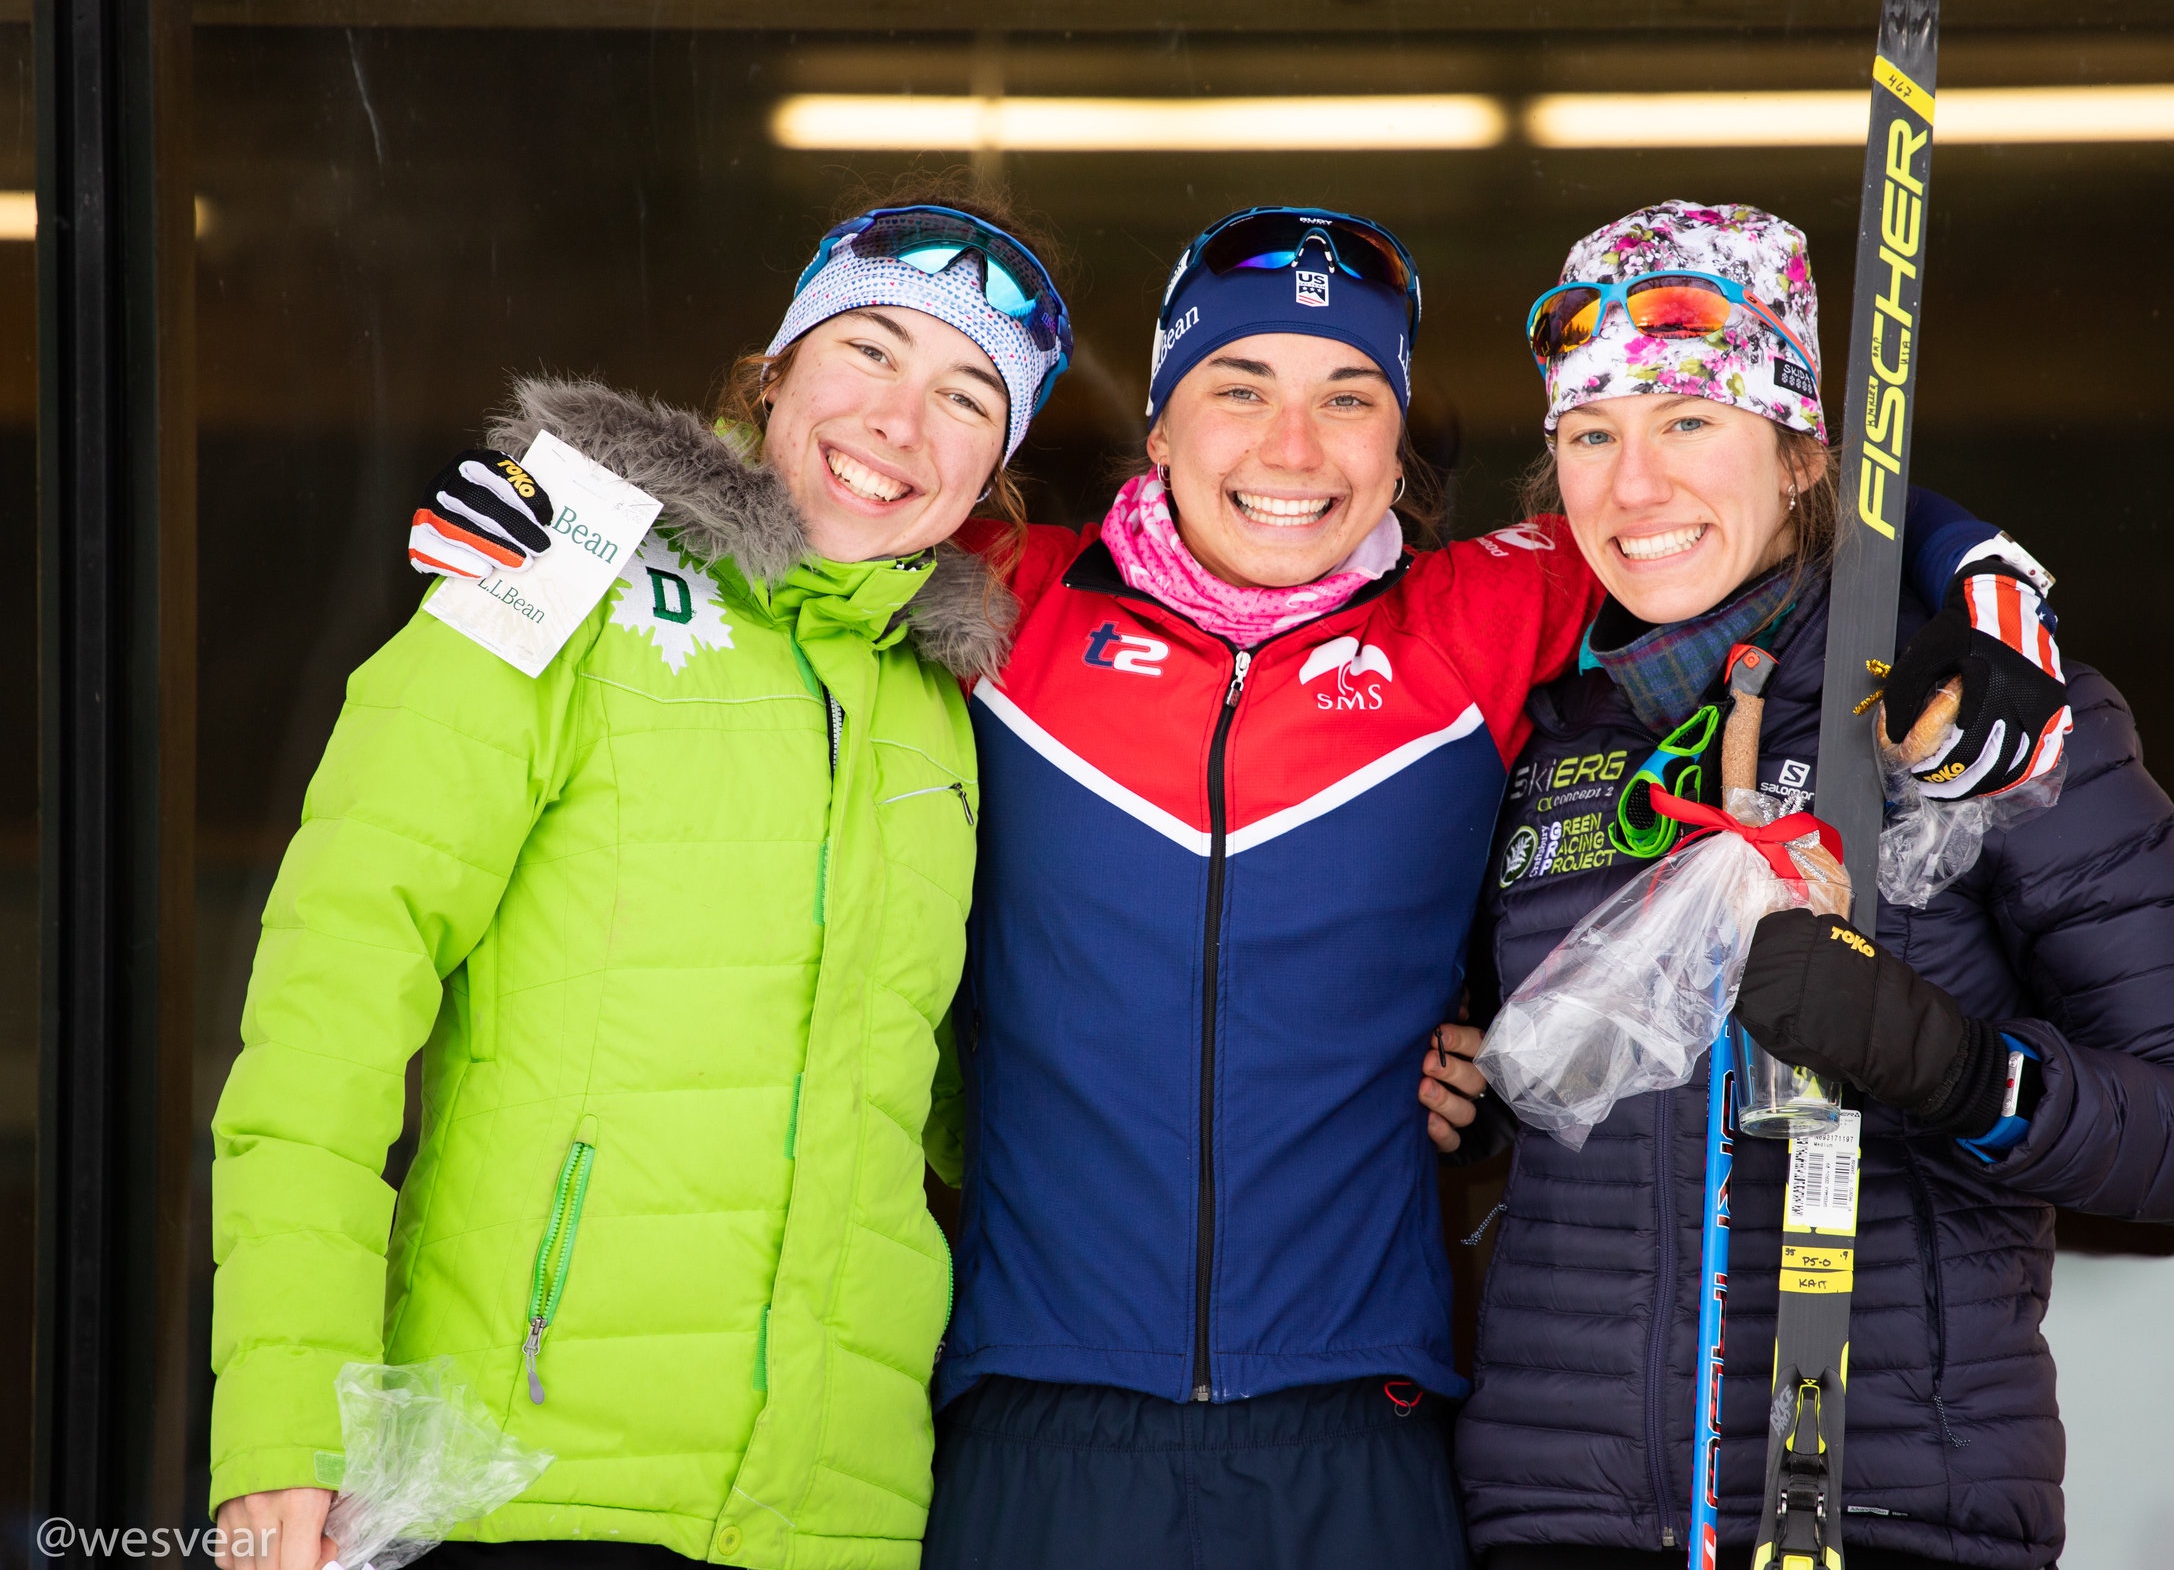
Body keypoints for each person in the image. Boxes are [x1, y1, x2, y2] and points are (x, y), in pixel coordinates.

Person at [420, 201, 2069, 1569]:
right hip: (1029, 1429)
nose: (1294, 444)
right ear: (1158, 419)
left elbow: (1717, 486)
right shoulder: (1000, 602)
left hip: (1361, 1435)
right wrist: (568, 508)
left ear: (1400, 438)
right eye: (1241, 385)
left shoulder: (1475, 623)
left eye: (1350, 393)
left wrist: (1972, 565)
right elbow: (819, 484)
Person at [207, 191, 1070, 1570]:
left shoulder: (941, 705)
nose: (901, 426)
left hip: (843, 1514)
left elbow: (967, 1099)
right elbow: (328, 1011)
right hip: (530, 1488)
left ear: (996, 468)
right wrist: (283, 1423)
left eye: (969, 396)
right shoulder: (559, 577)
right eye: (869, 353)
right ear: (773, 372)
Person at [1424, 201, 2174, 1570]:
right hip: (1556, 1519)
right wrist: (1468, 1100)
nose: (1633, 486)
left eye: (1688, 422)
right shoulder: (1537, 725)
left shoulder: (1983, 723)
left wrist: (1951, 1070)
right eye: (1592, 436)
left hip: (1888, 1515)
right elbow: (1509, 1060)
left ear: (1806, 453)